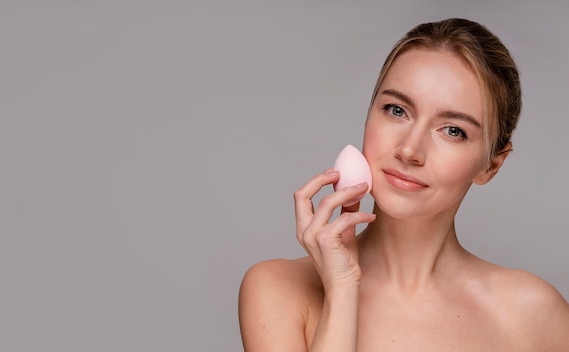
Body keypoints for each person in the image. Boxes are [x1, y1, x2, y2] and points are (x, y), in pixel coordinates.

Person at [238, 18, 569, 351]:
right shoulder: (278, 289)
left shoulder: (535, 314)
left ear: (491, 165)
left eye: (453, 130)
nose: (409, 150)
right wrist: (342, 287)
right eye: (396, 110)